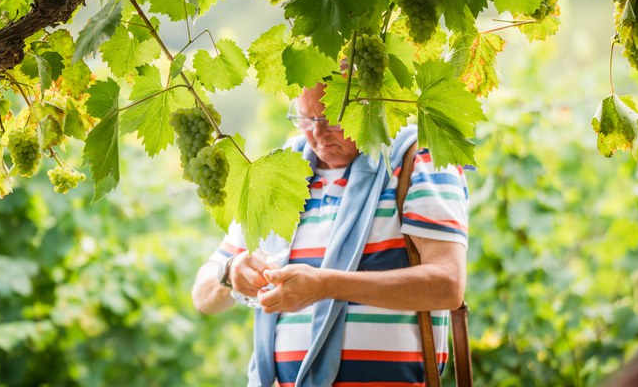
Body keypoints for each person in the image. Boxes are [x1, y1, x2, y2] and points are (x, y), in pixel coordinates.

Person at [191, 82, 469, 387]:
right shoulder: (278, 174)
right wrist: (230, 274)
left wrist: (325, 286)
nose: (317, 134)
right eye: (305, 119)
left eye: (330, 118)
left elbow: (448, 286)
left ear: (368, 101)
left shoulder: (418, 159)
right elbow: (203, 295)